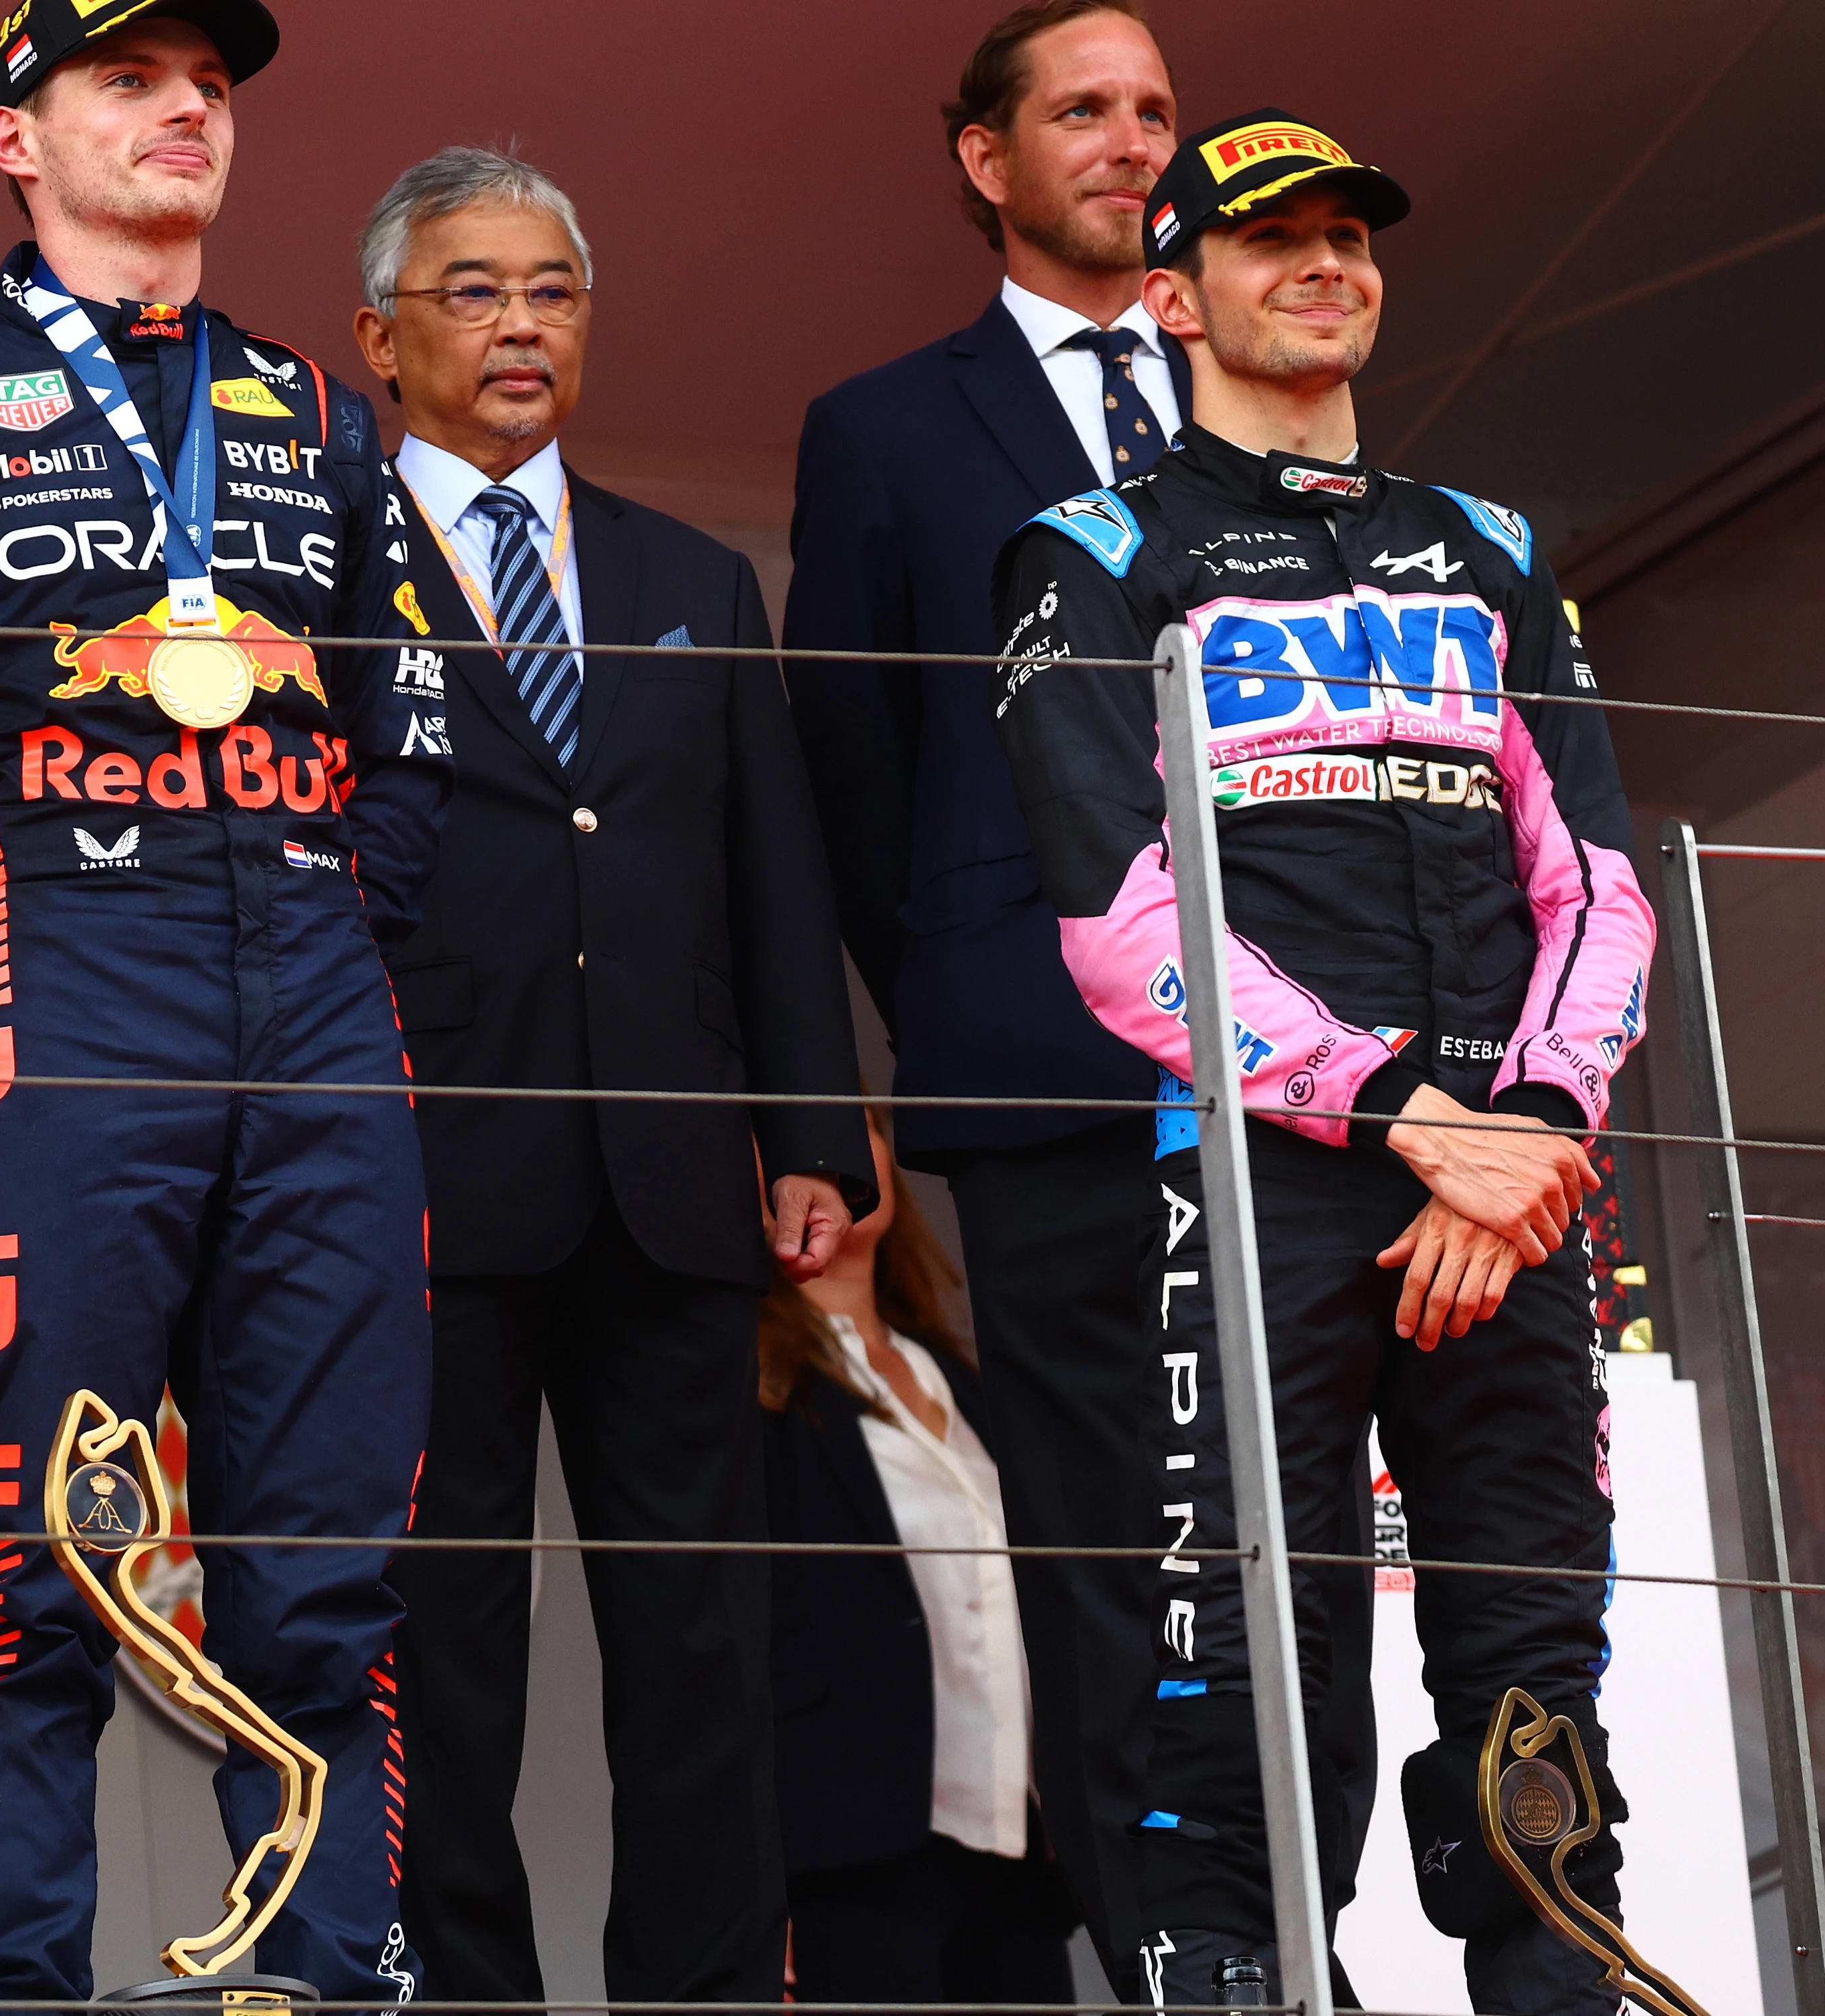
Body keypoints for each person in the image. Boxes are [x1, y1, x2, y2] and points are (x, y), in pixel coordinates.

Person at [0, 2, 445, 2000]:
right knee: (30, 1572)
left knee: (320, 1580)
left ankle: (324, 1972)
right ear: (13, 141)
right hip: (48, 1011)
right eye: (127, 82)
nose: (181, 112)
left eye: (206, 88)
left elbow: (412, 752)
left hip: (316, 1030)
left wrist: (318, 934)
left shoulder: (316, 409)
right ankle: (11, 1973)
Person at [995, 108, 1654, 2009]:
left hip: (1511, 1177)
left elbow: (1596, 876)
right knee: (1247, 1694)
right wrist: (1408, 1117)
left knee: (1535, 1686)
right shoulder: (1090, 551)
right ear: (1168, 290)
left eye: (1350, 237)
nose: (1323, 267)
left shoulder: (1491, 548)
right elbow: (1115, 916)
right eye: (1271, 236)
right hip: (1265, 1180)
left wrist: (1525, 1126)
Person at [340, 146, 867, 2007]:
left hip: (672, 1185)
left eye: (548, 289)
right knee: (440, 1647)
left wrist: (807, 1129)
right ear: (376, 337)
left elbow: (769, 874)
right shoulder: (313, 560)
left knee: (701, 1646)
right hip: (420, 1181)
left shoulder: (687, 572)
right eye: (470, 290)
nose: (515, 325)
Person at [777, 0, 1181, 1973]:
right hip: (1043, 1062)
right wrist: (956, 991)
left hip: (1317, 1088)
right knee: (1105, 1543)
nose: (1129, 142)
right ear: (983, 157)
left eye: (1152, 112)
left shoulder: (1252, 390)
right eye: (1082, 110)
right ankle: (1165, 1946)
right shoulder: (879, 427)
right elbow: (852, 780)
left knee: (1287, 1556)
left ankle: (1297, 1927)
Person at [763, 1108, 1075, 2005]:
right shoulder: (740, 1389)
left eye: (854, 1123)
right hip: (844, 1849)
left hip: (1014, 1839)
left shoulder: (961, 1377)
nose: (835, 1150)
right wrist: (754, 1882)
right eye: (798, 1127)